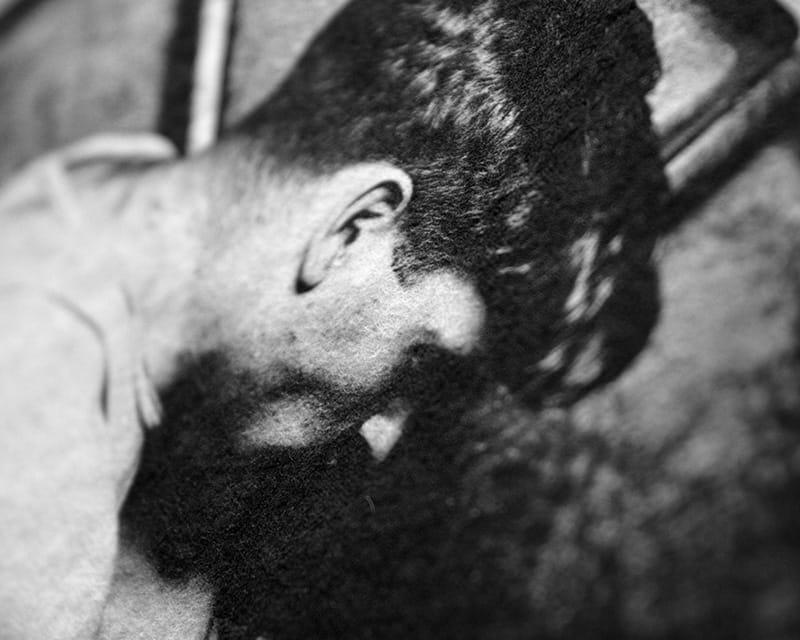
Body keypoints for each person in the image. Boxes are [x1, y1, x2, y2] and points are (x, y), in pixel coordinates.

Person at [0, 0, 669, 637]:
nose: (383, 434)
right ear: (354, 226)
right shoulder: (35, 415)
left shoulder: (103, 200)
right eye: (421, 365)